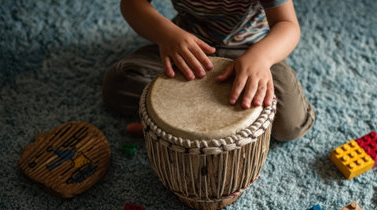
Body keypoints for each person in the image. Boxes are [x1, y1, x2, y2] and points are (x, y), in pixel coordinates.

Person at [103, 0, 315, 141]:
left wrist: (262, 57)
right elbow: (132, 5)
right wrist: (166, 35)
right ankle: (178, 124)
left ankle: (174, 124)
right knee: (118, 84)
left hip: (253, 49)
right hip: (188, 45)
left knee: (290, 126)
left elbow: (286, 24)